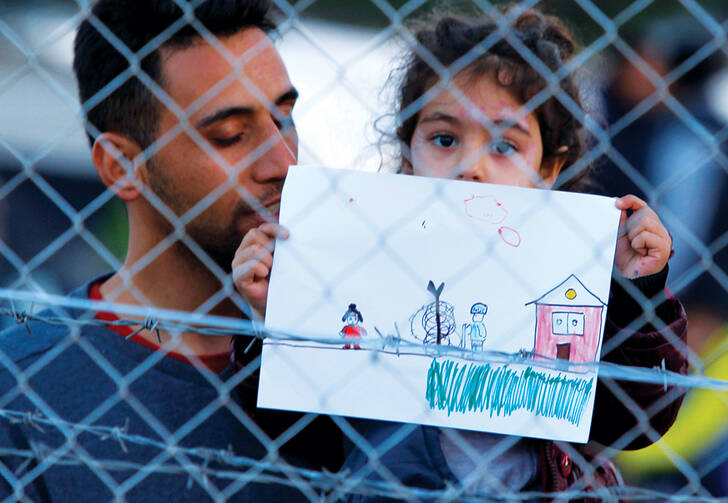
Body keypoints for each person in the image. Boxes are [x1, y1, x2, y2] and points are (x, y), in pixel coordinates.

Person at [233, 6, 689, 500]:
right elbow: (294, 434)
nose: (470, 167)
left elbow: (636, 420)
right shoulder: (358, 269)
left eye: (503, 145)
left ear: (549, 168)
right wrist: (275, 318)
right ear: (408, 156)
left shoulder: (579, 275)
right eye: (445, 139)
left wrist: (636, 294)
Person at [0, 1, 340, 500]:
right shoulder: (20, 393)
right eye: (230, 135)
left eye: (285, 119)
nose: (283, 162)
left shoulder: (355, 362)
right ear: (121, 166)